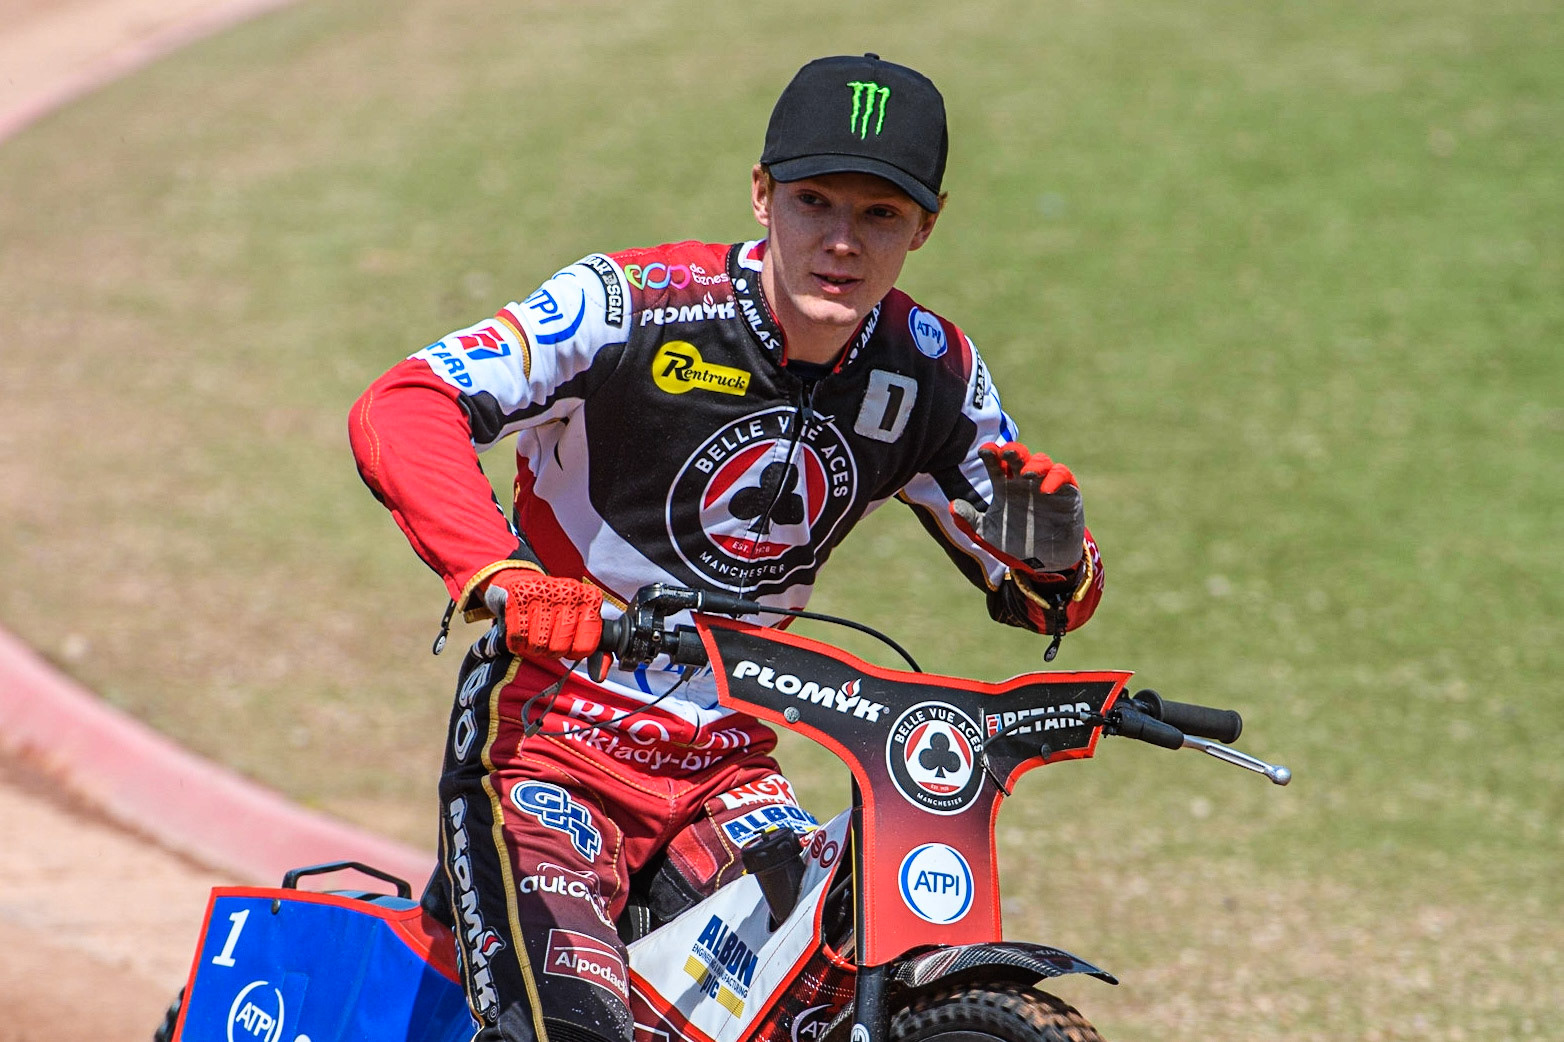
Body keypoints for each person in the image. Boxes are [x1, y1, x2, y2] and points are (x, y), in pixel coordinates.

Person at [349, 53, 1104, 1042]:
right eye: (813, 201)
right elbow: (405, 404)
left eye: (879, 216)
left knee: (847, 954)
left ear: (927, 224)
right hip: (543, 750)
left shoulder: (932, 374)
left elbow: (1038, 589)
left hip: (728, 769)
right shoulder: (628, 303)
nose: (841, 242)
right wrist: (500, 575)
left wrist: (1052, 560)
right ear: (761, 195)